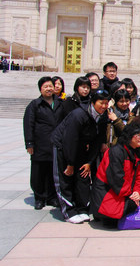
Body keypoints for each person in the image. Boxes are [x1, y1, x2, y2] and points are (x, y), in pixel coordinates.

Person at [52, 90, 110, 223]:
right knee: (64, 178)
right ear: (93, 102)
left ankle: (83, 208)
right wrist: (70, 163)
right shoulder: (79, 115)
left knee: (83, 177)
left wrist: (89, 162)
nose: (104, 106)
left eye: (106, 103)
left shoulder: (103, 116)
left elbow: (98, 141)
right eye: (101, 103)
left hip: (82, 147)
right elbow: (70, 139)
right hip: (63, 146)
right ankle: (69, 211)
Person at [91, 123, 140, 227]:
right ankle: (103, 215)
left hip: (124, 193)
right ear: (129, 136)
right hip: (108, 193)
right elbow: (116, 180)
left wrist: (137, 192)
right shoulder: (116, 152)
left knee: (135, 203)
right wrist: (131, 194)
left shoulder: (137, 153)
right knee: (114, 220)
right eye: (138, 135)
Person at [23, 77, 65, 209]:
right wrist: (29, 143)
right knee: (38, 172)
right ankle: (39, 197)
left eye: (50, 86)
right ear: (40, 89)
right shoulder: (35, 104)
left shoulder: (60, 103)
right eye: (45, 87)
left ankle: (52, 197)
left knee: (53, 172)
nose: (48, 89)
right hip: (40, 144)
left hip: (56, 144)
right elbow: (28, 125)